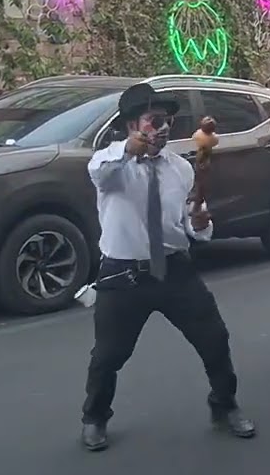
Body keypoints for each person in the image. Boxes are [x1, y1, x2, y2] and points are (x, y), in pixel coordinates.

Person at [80, 83, 255, 451]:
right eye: (154, 121)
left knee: (214, 337)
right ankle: (95, 417)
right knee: (110, 354)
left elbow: (188, 227)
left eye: (168, 122)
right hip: (123, 273)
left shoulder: (180, 169)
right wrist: (129, 149)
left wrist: (202, 224)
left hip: (173, 269)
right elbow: (98, 169)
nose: (162, 129)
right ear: (132, 125)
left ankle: (224, 405)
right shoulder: (111, 166)